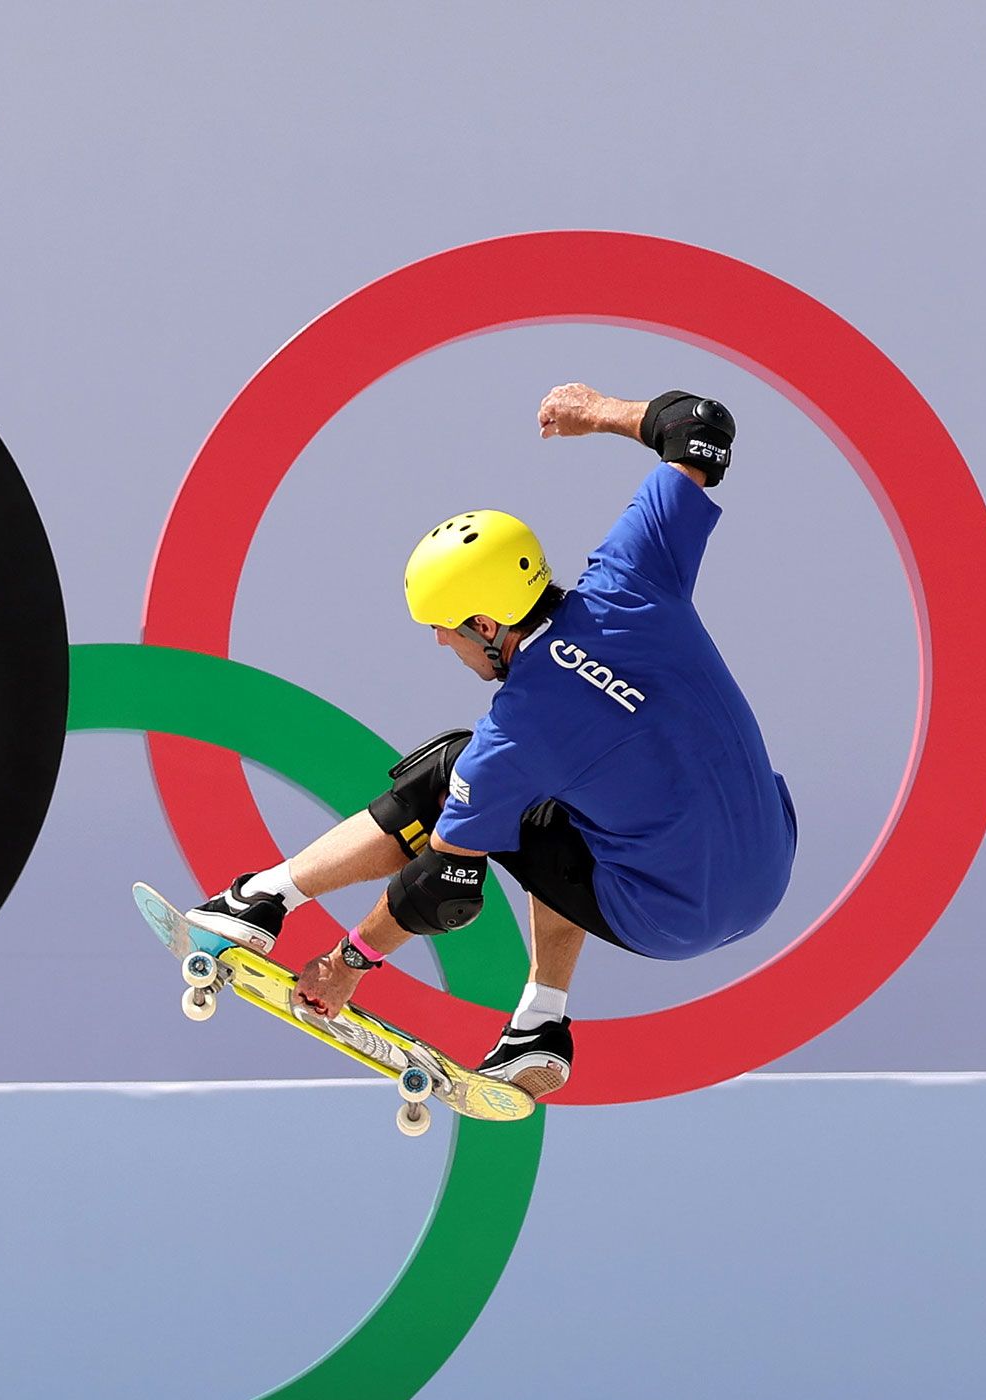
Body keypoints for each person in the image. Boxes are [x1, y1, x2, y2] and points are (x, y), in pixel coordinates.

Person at [186, 383, 795, 1096]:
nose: (441, 639)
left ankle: (259, 903)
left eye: (445, 624)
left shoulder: (516, 732)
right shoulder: (632, 574)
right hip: (769, 872)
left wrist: (346, 966)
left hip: (671, 918)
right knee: (561, 807)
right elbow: (699, 428)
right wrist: (597, 413)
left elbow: (444, 888)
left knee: (452, 775)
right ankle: (537, 1025)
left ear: (485, 624)